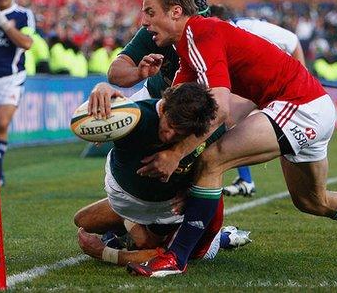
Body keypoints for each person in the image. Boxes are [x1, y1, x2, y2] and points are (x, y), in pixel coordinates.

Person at [122, 0, 337, 277]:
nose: (144, 21)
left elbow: (221, 108)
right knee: (312, 201)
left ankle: (176, 258)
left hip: (297, 105)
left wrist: (178, 154)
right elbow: (174, 110)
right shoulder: (190, 48)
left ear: (176, 12)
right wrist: (122, 112)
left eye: (150, 12)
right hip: (308, 105)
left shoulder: (202, 32)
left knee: (212, 159)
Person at [78, 82, 251, 266]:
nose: (169, 136)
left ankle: (222, 238)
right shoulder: (138, 116)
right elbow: (114, 99)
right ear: (164, 108)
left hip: (172, 210)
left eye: (179, 134)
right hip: (131, 198)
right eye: (169, 124)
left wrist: (103, 253)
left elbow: (161, 255)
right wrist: (102, 89)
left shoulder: (207, 132)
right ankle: (129, 228)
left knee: (163, 247)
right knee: (81, 221)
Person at [106, 0, 259, 197]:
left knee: (207, 158)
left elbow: (224, 111)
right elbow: (114, 73)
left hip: (195, 112)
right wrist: (138, 72)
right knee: (119, 139)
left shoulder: (218, 40)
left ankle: (198, 209)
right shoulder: (156, 32)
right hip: (153, 101)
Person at [209, 3, 308, 196]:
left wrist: (301, 78)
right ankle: (245, 180)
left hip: (281, 83)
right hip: (256, 83)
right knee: (227, 117)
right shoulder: (221, 38)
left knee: (229, 117)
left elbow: (292, 41)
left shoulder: (249, 28)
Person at [0, 0, 34, 186]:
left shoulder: (24, 15)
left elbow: (26, 43)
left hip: (11, 78)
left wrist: (6, 25)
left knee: (2, 122)